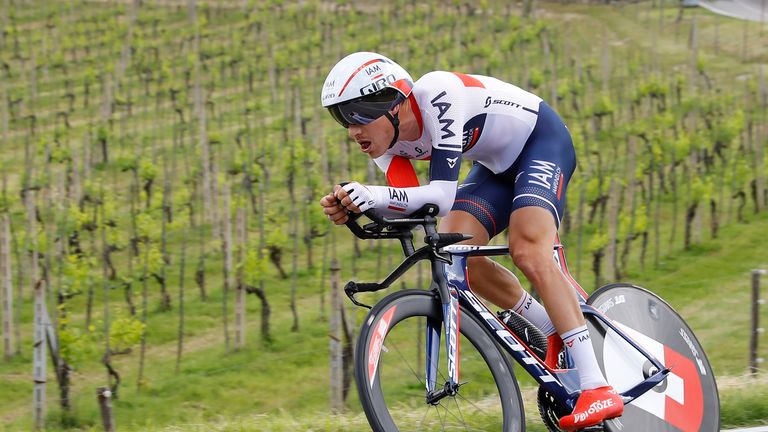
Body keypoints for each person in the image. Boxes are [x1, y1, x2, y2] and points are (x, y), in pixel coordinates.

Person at [318, 51, 623, 431]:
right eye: (341, 118)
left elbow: (442, 195)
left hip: (540, 143)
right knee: (455, 250)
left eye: (357, 115)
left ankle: (597, 387)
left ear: (394, 102)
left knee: (527, 247)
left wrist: (373, 195)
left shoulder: (437, 94)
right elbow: (414, 209)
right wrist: (356, 208)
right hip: (494, 167)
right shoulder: (389, 145)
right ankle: (548, 328)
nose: (352, 130)